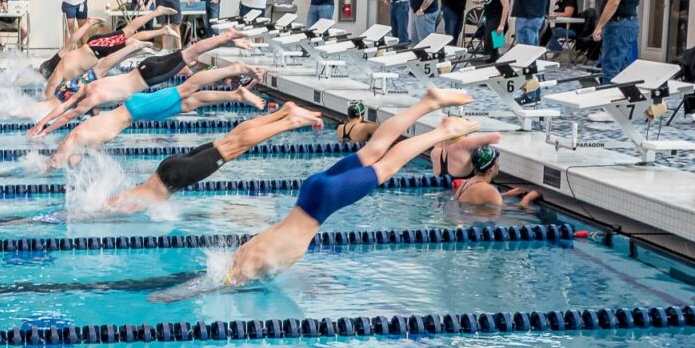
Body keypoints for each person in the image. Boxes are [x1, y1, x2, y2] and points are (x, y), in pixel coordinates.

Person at [157, 90, 489, 296]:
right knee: (374, 150)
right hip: (310, 195)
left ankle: (442, 131)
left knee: (385, 166)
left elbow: (218, 283)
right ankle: (427, 103)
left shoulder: (247, 265)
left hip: (321, 202)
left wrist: (176, 296)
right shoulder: (245, 252)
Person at [104, 103, 328, 213]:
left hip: (176, 177)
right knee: (230, 140)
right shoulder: (118, 198)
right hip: (168, 168)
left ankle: (290, 121)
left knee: (234, 147)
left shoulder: (118, 207)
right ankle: (282, 113)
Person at [46, 63, 268, 170]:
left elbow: (62, 154)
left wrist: (47, 167)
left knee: (187, 88)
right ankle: (236, 94)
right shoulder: (84, 141)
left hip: (137, 109)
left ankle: (237, 68)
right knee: (191, 103)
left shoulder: (75, 137)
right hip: (138, 113)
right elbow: (74, 159)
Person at [28, 30, 253, 136]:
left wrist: (46, 131)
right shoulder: (90, 86)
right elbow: (64, 106)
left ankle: (227, 37)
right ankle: (230, 41)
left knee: (191, 55)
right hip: (146, 65)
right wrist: (42, 123)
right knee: (189, 54)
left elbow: (67, 113)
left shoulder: (91, 98)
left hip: (149, 77)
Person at [445, 144, 539, 210]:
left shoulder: (466, 182)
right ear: (491, 168)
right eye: (497, 161)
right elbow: (511, 210)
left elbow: (477, 198)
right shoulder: (489, 190)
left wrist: (505, 194)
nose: (499, 165)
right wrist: (528, 198)